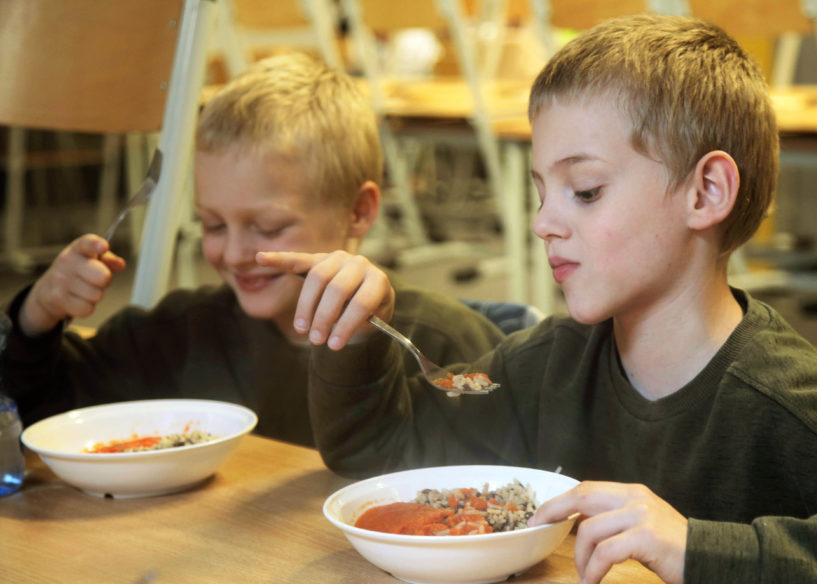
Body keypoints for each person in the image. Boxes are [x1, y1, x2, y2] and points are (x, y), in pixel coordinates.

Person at [258, 16, 817, 583]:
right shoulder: (549, 363)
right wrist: (355, 331)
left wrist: (700, 547)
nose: (540, 222)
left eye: (585, 190)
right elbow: (377, 459)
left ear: (707, 191)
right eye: (541, 190)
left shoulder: (777, 401)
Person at [0, 53, 505, 447]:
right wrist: (37, 316)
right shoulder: (179, 334)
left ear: (358, 211)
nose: (236, 253)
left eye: (267, 227)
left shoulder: (442, 342)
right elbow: (40, 417)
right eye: (213, 224)